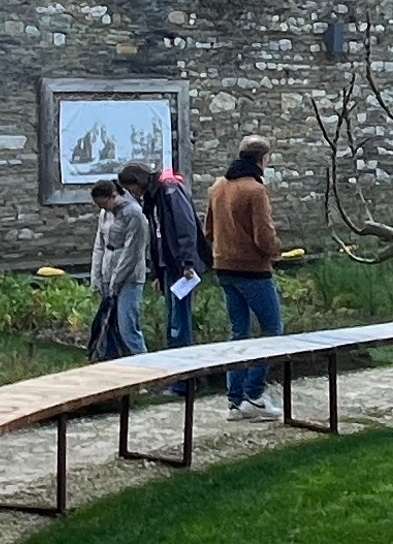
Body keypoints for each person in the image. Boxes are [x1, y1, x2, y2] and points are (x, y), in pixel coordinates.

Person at [205, 134, 284, 421]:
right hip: (253, 269)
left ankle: (235, 401)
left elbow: (209, 230)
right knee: (272, 331)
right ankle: (254, 394)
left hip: (224, 266)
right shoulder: (255, 190)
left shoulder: (218, 186)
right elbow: (264, 234)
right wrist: (275, 250)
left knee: (238, 333)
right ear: (263, 159)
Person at [117, 161, 204, 350]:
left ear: (139, 181)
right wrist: (155, 271)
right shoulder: (152, 199)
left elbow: (185, 227)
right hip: (166, 263)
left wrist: (187, 262)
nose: (132, 193)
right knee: (172, 315)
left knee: (179, 316)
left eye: (131, 187)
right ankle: (175, 353)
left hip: (179, 263)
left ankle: (183, 358)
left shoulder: (170, 191)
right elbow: (156, 237)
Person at [86, 179, 150, 361]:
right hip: (108, 271)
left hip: (129, 278)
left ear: (114, 196)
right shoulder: (105, 214)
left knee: (127, 326)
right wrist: (96, 276)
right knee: (110, 326)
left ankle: (145, 366)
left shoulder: (134, 214)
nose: (104, 209)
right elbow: (99, 245)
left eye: (105, 204)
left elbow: (132, 253)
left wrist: (116, 282)